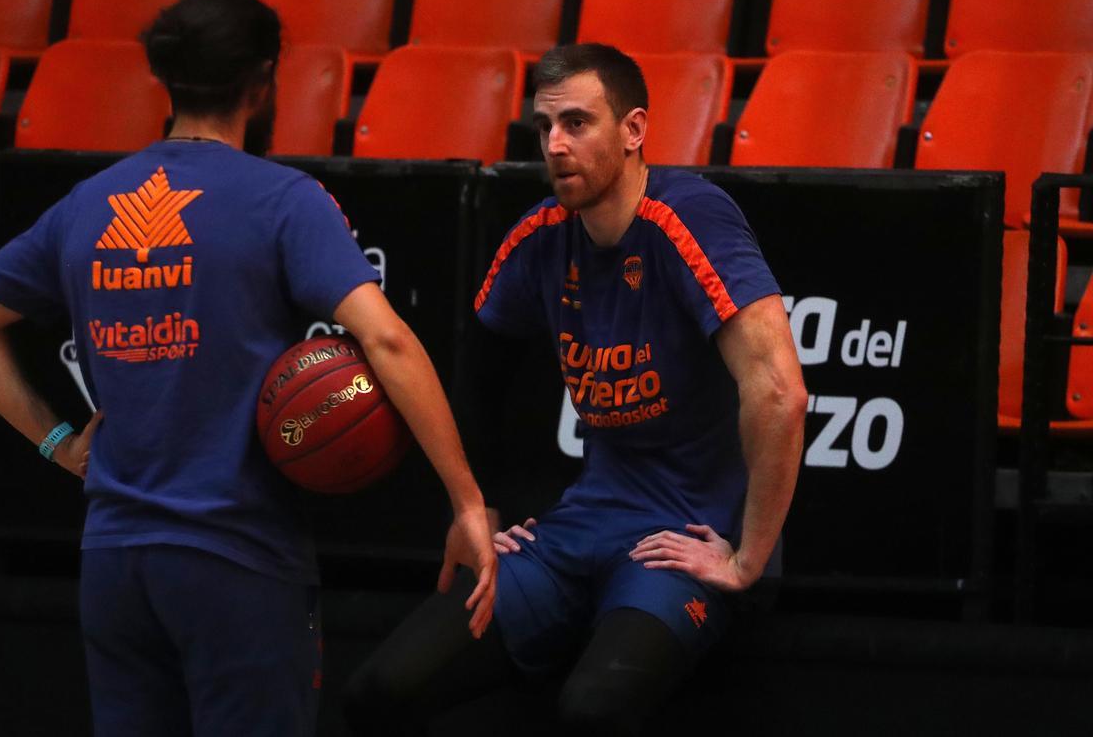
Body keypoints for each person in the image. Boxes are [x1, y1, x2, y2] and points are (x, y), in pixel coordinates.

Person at [0, 0, 496, 737]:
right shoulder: (282, 200)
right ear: (263, 80)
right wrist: (464, 502)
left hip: (116, 560)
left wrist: (59, 445)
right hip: (239, 558)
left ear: (168, 79)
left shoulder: (88, 203)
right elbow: (386, 341)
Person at [343, 43, 807, 736]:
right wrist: (485, 505)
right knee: (380, 691)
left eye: (579, 124)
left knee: (593, 710)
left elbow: (780, 394)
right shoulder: (539, 239)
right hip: (581, 526)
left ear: (634, 130)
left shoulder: (689, 218)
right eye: (544, 127)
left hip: (681, 533)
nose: (555, 145)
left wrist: (748, 561)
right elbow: (482, 378)